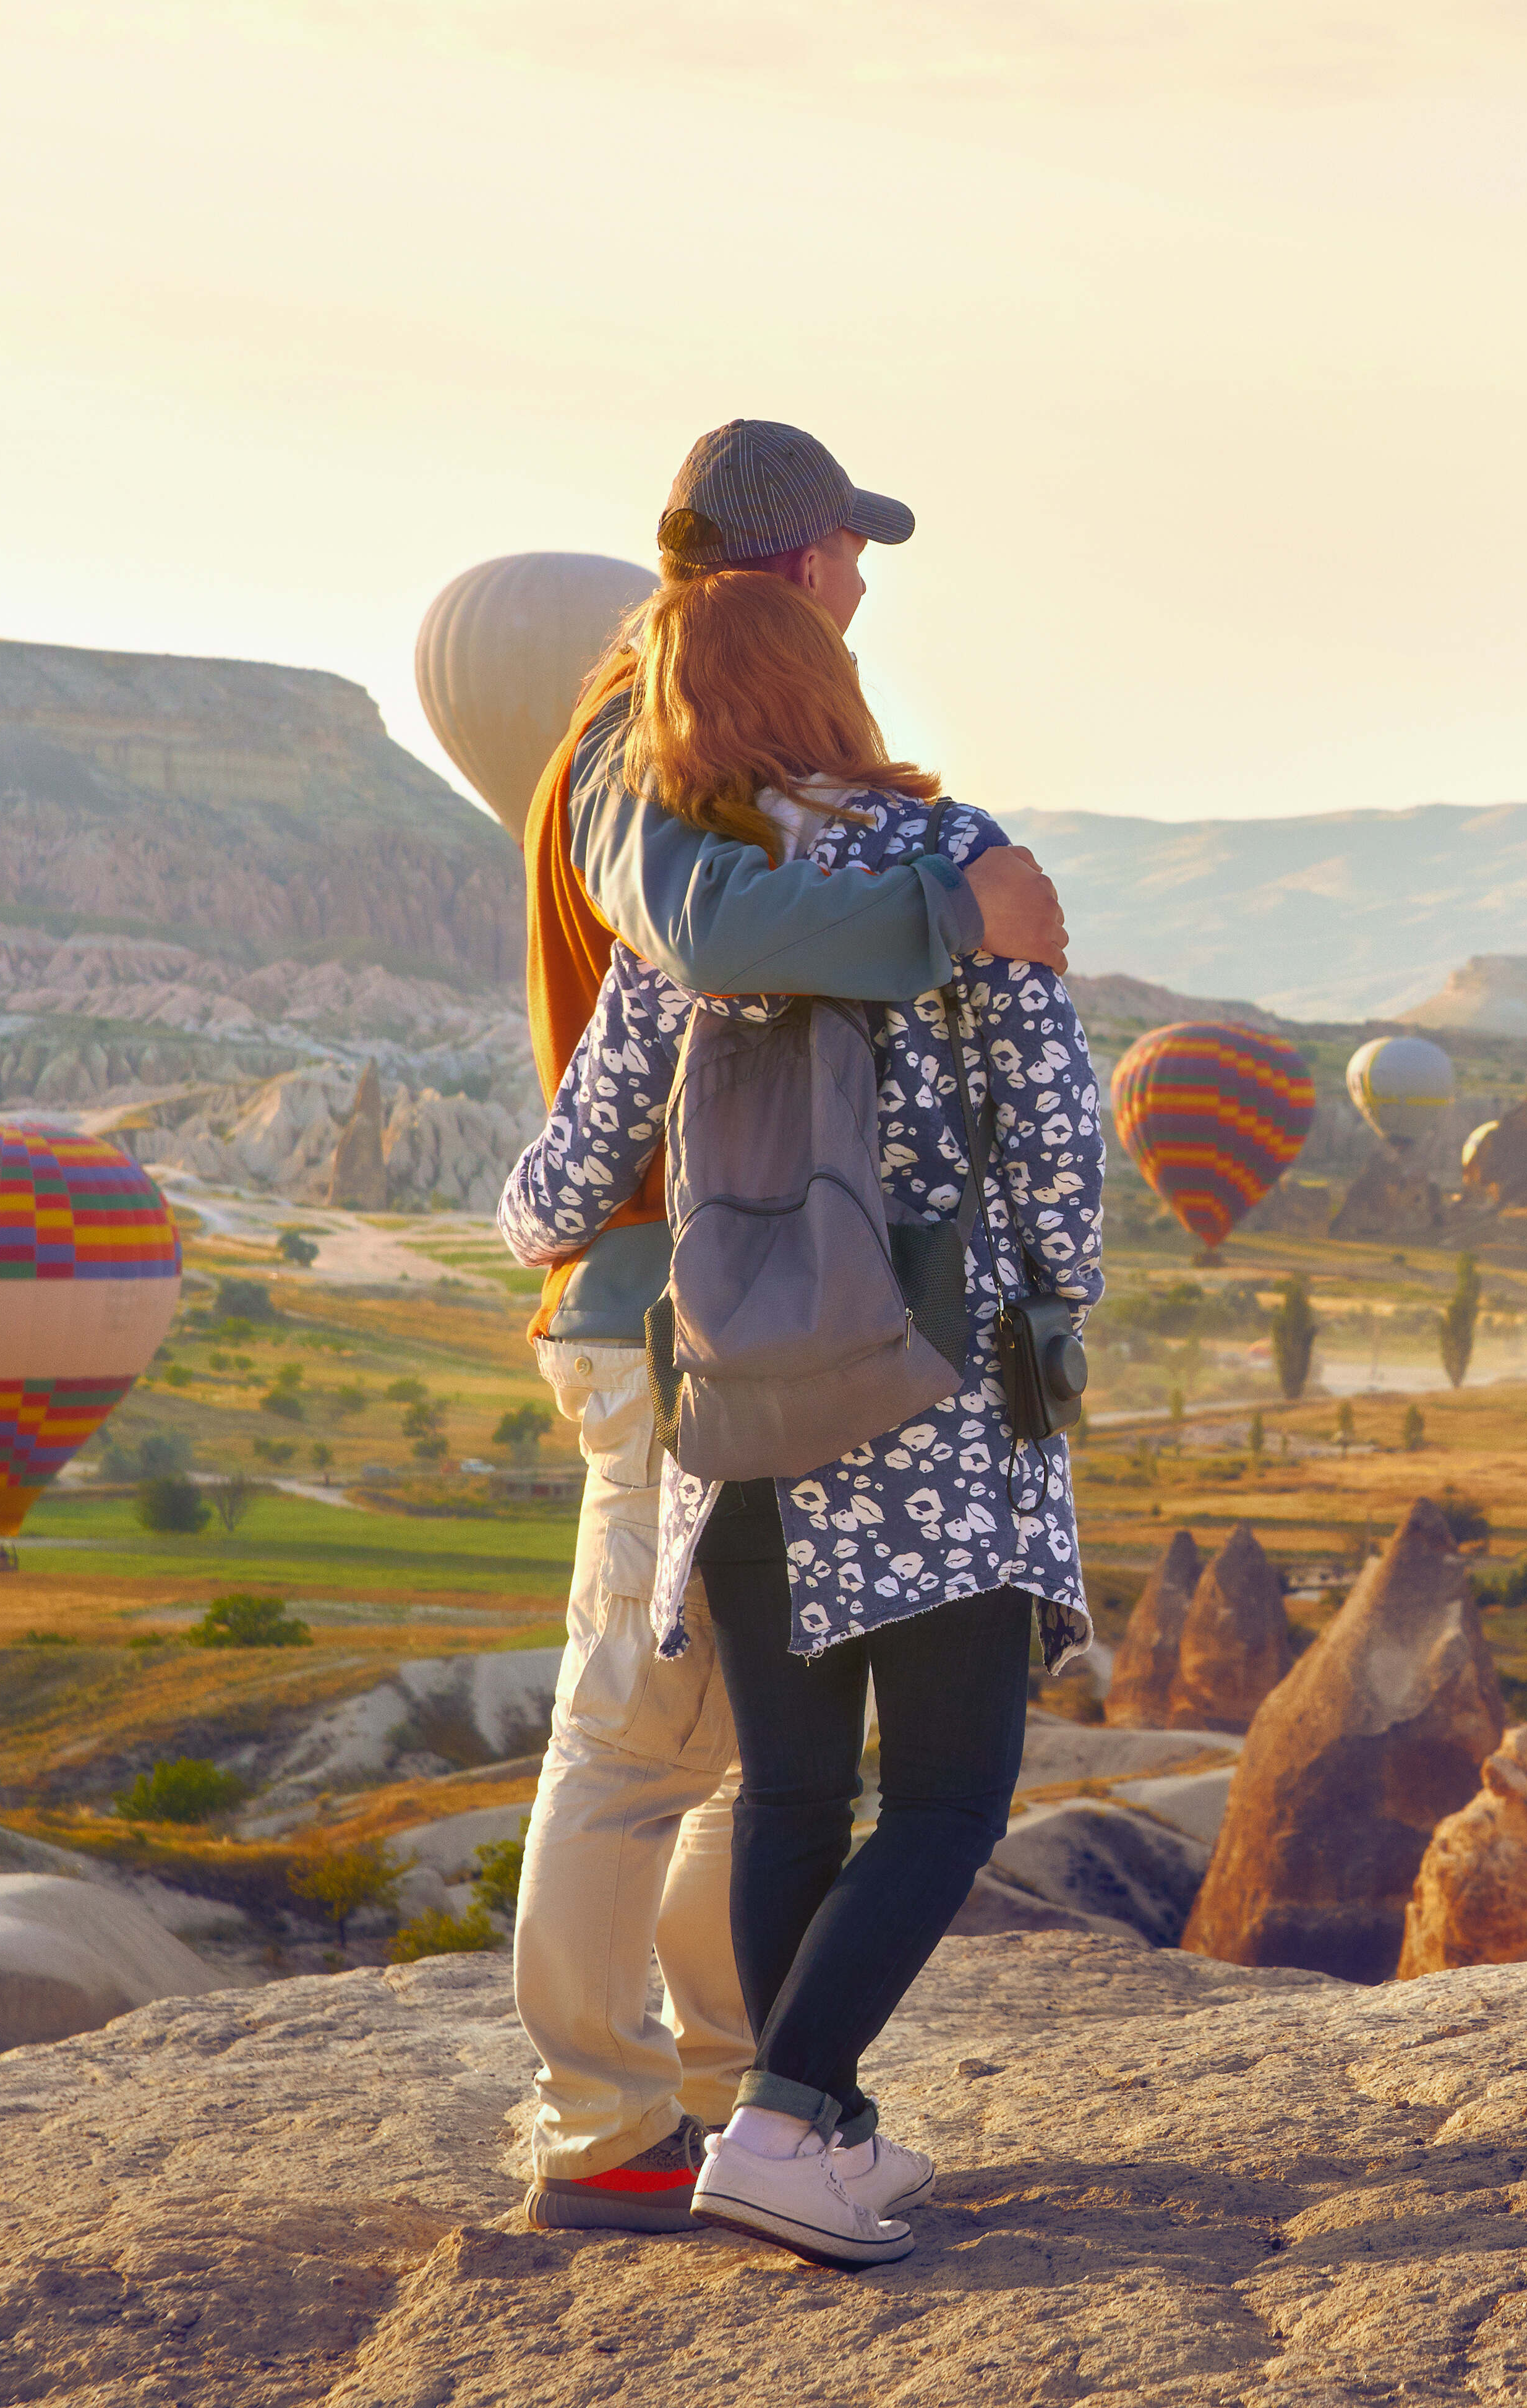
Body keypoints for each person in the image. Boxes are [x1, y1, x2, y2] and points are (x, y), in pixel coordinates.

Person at [502, 558, 1103, 2270]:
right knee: (945, 1801)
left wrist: (541, 1246)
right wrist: (1055, 1305)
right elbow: (1055, 1133)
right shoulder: (953, 864)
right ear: (827, 683)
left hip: (741, 1407)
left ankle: (812, 2128)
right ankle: (778, 2122)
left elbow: (564, 1177)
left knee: (785, 1797)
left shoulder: (692, 899)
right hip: (934, 1405)